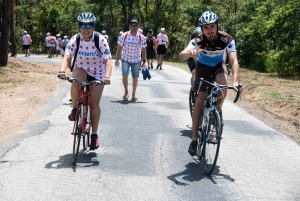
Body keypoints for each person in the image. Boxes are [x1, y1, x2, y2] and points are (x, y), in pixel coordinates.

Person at [179, 10, 240, 156]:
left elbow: (233, 60)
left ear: (217, 26)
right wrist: (190, 53)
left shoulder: (227, 39)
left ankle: (216, 113)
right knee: (199, 102)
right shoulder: (198, 40)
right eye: (205, 28)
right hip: (202, 69)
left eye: (212, 26)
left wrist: (235, 80)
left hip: (218, 67)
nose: (209, 30)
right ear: (202, 29)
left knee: (223, 85)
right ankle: (194, 140)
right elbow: (182, 54)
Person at [58, 12, 112, 150]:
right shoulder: (75, 39)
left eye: (89, 25)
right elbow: (67, 57)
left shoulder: (100, 39)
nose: (86, 28)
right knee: (76, 81)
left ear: (93, 26)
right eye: (82, 25)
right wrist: (62, 71)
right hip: (81, 68)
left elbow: (107, 60)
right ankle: (75, 109)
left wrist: (106, 77)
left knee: (94, 103)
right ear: (79, 26)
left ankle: (94, 134)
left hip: (97, 72)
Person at [115, 19, 147, 102]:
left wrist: (144, 60)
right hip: (125, 58)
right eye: (132, 25)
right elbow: (119, 47)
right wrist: (117, 58)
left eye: (135, 26)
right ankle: (126, 91)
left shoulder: (141, 37)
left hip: (136, 59)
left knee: (135, 77)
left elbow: (143, 49)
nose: (134, 27)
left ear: (137, 27)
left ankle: (133, 94)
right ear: (130, 26)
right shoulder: (124, 35)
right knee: (125, 75)